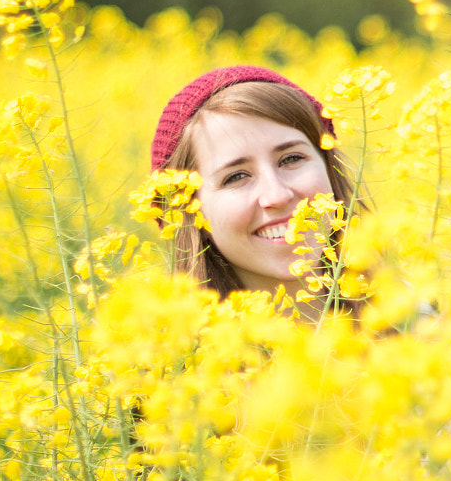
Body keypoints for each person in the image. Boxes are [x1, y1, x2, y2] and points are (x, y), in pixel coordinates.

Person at [149, 65, 355, 307]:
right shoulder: (174, 344)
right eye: (236, 177)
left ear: (329, 166)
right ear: (190, 212)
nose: (276, 195)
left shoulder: (408, 323)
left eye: (291, 159)